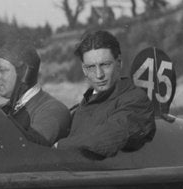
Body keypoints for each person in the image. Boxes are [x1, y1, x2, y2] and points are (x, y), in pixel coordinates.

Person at [56, 30, 156, 158]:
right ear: (84, 70)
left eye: (105, 65)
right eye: (91, 67)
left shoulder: (136, 100)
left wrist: (58, 147)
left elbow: (110, 137)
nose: (99, 74)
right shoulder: (82, 106)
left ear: (119, 62)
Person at [0, 39, 70, 146]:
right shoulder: (6, 109)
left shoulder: (54, 110)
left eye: (1, 70)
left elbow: (33, 146)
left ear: (24, 73)